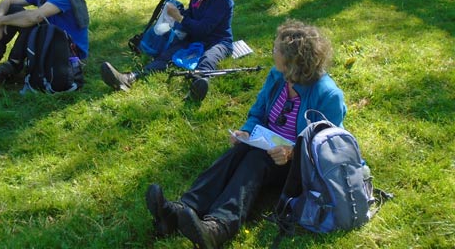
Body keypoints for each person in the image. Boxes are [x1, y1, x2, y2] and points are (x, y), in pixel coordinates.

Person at [145, 20, 346, 249]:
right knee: (240, 149)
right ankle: (181, 210)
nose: (273, 52)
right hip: (267, 144)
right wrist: (247, 131)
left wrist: (291, 152)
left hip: (296, 165)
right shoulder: (277, 76)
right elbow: (258, 111)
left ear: (293, 60)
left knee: (255, 159)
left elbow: (323, 148)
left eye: (277, 49)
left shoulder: (327, 95)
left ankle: (219, 227)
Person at [102, 0, 233, 102]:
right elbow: (193, 14)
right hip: (194, 36)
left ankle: (198, 85)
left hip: (218, 40)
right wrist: (177, 16)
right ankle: (129, 78)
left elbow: (204, 29)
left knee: (208, 59)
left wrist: (180, 18)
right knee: (168, 54)